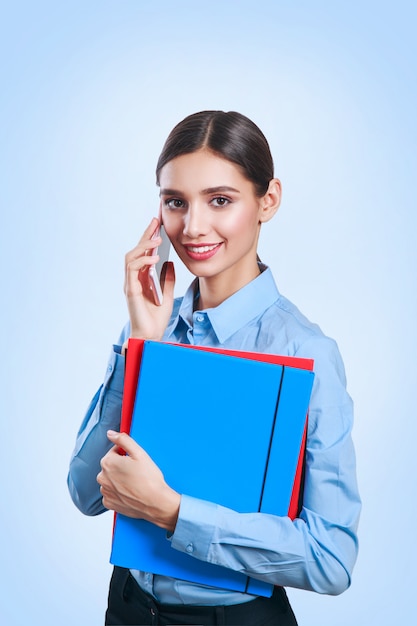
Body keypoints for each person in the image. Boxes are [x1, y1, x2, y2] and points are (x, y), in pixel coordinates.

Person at [68, 110, 361, 626]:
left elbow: (331, 560)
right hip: (129, 607)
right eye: (175, 202)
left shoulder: (307, 353)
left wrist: (174, 513)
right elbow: (86, 493)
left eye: (220, 200)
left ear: (267, 200)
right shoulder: (151, 326)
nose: (193, 227)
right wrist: (141, 345)